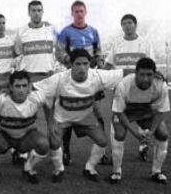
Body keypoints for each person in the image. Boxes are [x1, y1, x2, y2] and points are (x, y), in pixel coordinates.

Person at [35, 49, 123, 182]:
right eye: (78, 64)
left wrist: (156, 73)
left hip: (85, 117)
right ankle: (59, 169)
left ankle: (90, 168)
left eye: (85, 63)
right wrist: (50, 122)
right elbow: (36, 88)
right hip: (62, 118)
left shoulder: (97, 75)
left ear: (89, 64)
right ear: (71, 64)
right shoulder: (59, 78)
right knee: (54, 140)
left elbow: (123, 74)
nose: (82, 68)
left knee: (102, 141)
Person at [0, 71, 60, 186]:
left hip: (26, 137)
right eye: (17, 86)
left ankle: (28, 168)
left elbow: (49, 104)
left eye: (24, 86)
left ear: (29, 87)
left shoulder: (37, 97)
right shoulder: (1, 99)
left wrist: (50, 124)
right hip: (4, 136)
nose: (21, 90)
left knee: (43, 143)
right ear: (10, 87)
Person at [55, 0, 106, 165]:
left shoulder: (93, 31)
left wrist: (99, 63)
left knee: (99, 116)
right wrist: (72, 65)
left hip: (91, 79)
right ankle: (66, 151)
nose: (79, 14)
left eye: (81, 11)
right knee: (69, 115)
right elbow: (59, 52)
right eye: (76, 11)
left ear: (86, 12)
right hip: (73, 80)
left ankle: (102, 152)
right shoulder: (66, 32)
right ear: (72, 13)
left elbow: (99, 52)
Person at [109, 57, 169, 184]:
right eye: (142, 74)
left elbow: (160, 111)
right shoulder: (124, 84)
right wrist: (135, 134)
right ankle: (116, 171)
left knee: (163, 134)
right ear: (135, 73)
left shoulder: (161, 85)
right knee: (119, 134)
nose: (145, 79)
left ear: (155, 74)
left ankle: (156, 171)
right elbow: (118, 111)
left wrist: (151, 132)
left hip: (146, 111)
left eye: (149, 75)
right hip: (125, 112)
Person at [105, 14, 155, 162]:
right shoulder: (117, 44)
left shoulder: (145, 43)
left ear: (135, 25)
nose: (127, 26)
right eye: (124, 24)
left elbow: (151, 66)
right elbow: (108, 65)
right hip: (120, 90)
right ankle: (114, 153)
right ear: (122, 27)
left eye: (130, 23)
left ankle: (143, 146)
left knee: (142, 119)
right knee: (116, 120)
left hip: (140, 91)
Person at [13, 0, 58, 164]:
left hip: (48, 78)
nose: (37, 13)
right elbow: (17, 52)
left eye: (39, 10)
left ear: (43, 11)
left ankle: (54, 153)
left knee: (50, 118)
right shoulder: (21, 32)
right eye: (33, 10)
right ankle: (22, 152)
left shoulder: (51, 29)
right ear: (29, 12)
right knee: (27, 117)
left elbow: (57, 51)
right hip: (29, 79)